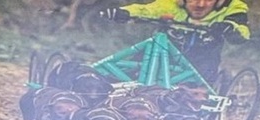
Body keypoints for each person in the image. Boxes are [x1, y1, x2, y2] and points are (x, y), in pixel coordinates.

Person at [101, 0, 251, 83]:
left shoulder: (234, 7)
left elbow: (242, 30)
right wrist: (124, 12)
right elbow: (146, 10)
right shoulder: (170, 4)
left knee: (196, 88)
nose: (200, 4)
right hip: (162, 54)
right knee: (125, 72)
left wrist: (230, 28)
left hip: (201, 62)